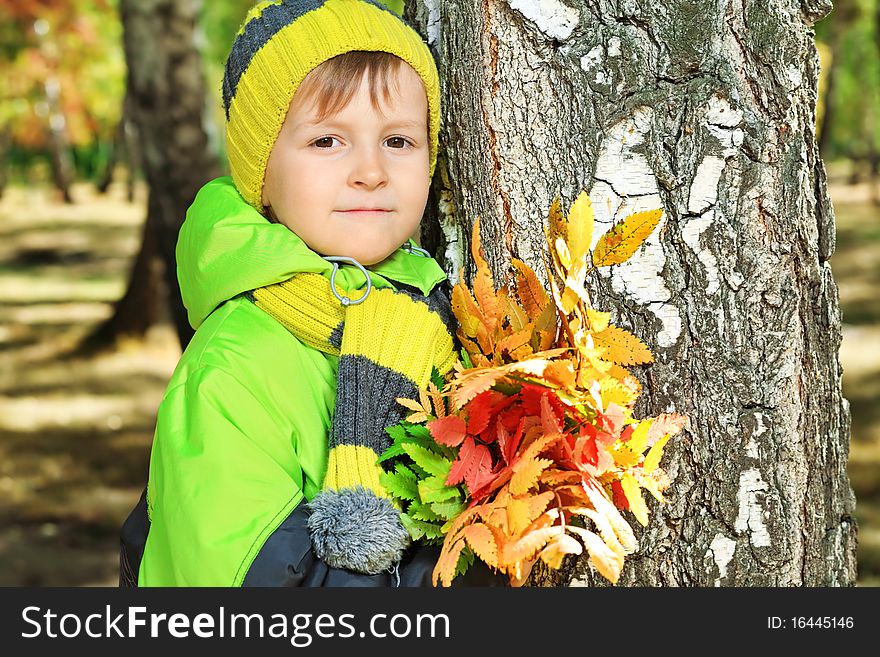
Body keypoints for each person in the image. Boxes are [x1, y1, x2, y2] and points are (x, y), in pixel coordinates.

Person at [119, 0, 505, 587]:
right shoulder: (234, 364)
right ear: (261, 174)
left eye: (398, 141)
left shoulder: (428, 320)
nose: (371, 171)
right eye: (328, 141)